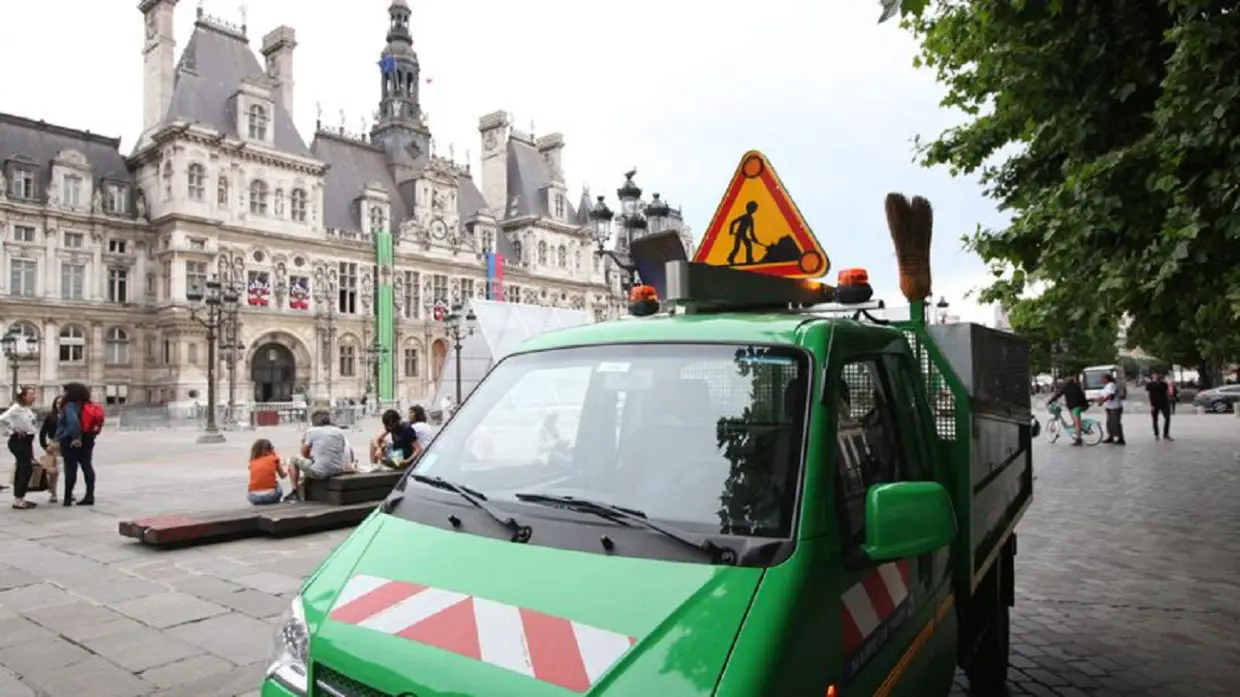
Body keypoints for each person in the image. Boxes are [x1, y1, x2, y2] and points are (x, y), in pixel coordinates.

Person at [285, 410, 351, 502]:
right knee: (313, 462)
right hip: (338, 469)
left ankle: (294, 491)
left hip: (320, 472)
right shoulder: (338, 431)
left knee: (293, 459)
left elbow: (304, 454)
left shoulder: (312, 431)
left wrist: (303, 442)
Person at [55, 382, 96, 505]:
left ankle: (67, 498)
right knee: (87, 466)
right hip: (88, 438)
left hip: (71, 439)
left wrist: (76, 437)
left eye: (65, 391)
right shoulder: (87, 404)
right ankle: (89, 495)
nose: (63, 394)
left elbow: (73, 422)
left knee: (71, 468)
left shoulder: (70, 405)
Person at [1, 386, 40, 509]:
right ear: (23, 396)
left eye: (34, 394)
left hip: (27, 441)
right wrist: (13, 429)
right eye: (31, 394)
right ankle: (19, 498)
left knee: (24, 467)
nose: (34, 396)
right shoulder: (16, 407)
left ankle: (20, 497)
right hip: (19, 441)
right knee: (25, 468)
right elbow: (2, 419)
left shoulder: (26, 408)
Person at [1047, 376, 1090, 446]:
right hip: (1076, 405)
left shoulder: (1066, 387)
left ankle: (1078, 440)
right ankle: (1077, 433)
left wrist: (1050, 401)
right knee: (1075, 421)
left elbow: (1058, 394)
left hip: (1075, 406)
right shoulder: (1076, 386)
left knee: (1077, 423)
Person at [37, 396, 64, 503]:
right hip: (54, 444)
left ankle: (69, 492)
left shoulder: (70, 415)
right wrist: (44, 445)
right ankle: (53, 493)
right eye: (57, 403)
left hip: (67, 445)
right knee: (52, 471)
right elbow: (42, 432)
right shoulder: (51, 417)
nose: (59, 405)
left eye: (62, 403)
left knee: (68, 470)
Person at [247, 438, 287, 505]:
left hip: (253, 497)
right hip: (270, 496)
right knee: (276, 484)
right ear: (270, 449)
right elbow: (283, 475)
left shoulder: (252, 461)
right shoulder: (274, 458)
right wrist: (287, 466)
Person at [1096, 374, 1126, 445]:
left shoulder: (1111, 385)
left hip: (1115, 408)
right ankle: (1111, 437)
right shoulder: (1106, 387)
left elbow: (1110, 396)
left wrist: (1102, 401)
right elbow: (1103, 396)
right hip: (1109, 408)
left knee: (1115, 423)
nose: (1101, 380)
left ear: (1107, 379)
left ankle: (1120, 438)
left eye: (1102, 379)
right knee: (1109, 423)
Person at [1146, 371, 1173, 441]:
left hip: (1164, 403)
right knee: (1155, 419)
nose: (1156, 376)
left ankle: (1166, 434)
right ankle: (1156, 434)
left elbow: (1169, 393)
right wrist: (1151, 405)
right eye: (1154, 375)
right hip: (1154, 404)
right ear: (1152, 376)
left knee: (1167, 418)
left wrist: (1170, 385)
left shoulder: (1164, 384)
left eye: (1157, 375)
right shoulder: (1150, 385)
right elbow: (1148, 395)